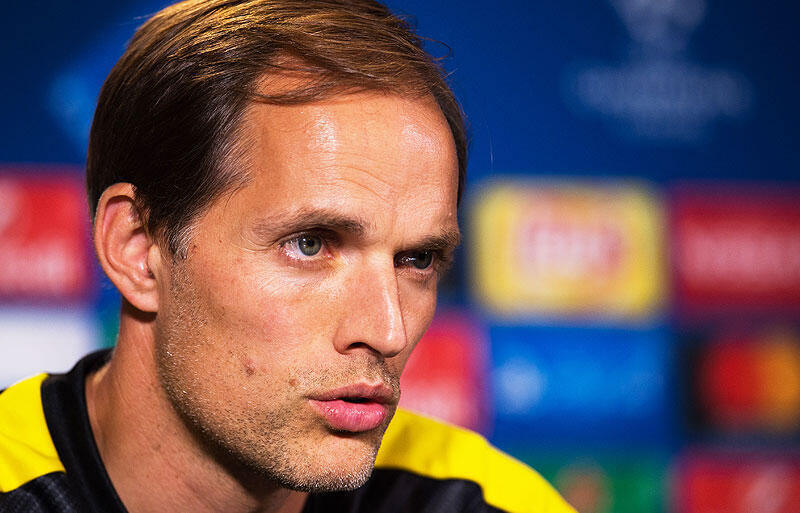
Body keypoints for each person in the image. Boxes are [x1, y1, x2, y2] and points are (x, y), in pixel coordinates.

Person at [0, 1, 575, 512]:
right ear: (137, 249)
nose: (388, 330)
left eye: (417, 259)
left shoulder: (492, 502)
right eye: (310, 244)